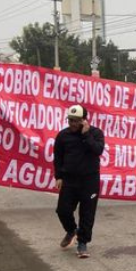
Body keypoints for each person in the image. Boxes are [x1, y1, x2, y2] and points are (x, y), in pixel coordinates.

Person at [53, 104, 105, 259]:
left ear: (83, 120)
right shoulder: (63, 136)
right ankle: (71, 230)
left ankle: (82, 243)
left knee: (87, 213)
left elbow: (98, 150)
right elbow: (58, 157)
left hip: (90, 180)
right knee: (62, 210)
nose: (72, 124)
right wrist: (59, 177)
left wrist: (86, 134)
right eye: (70, 120)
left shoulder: (95, 133)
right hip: (69, 179)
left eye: (76, 121)